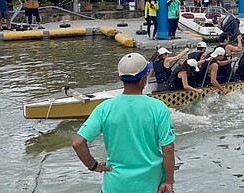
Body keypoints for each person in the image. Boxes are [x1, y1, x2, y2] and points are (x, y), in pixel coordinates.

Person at [72, 53, 175, 193]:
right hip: (150, 184)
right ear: (144, 79)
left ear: (120, 77)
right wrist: (168, 181)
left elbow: (78, 143)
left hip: (114, 186)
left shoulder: (104, 107)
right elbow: (168, 149)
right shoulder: (159, 108)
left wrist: (93, 166)